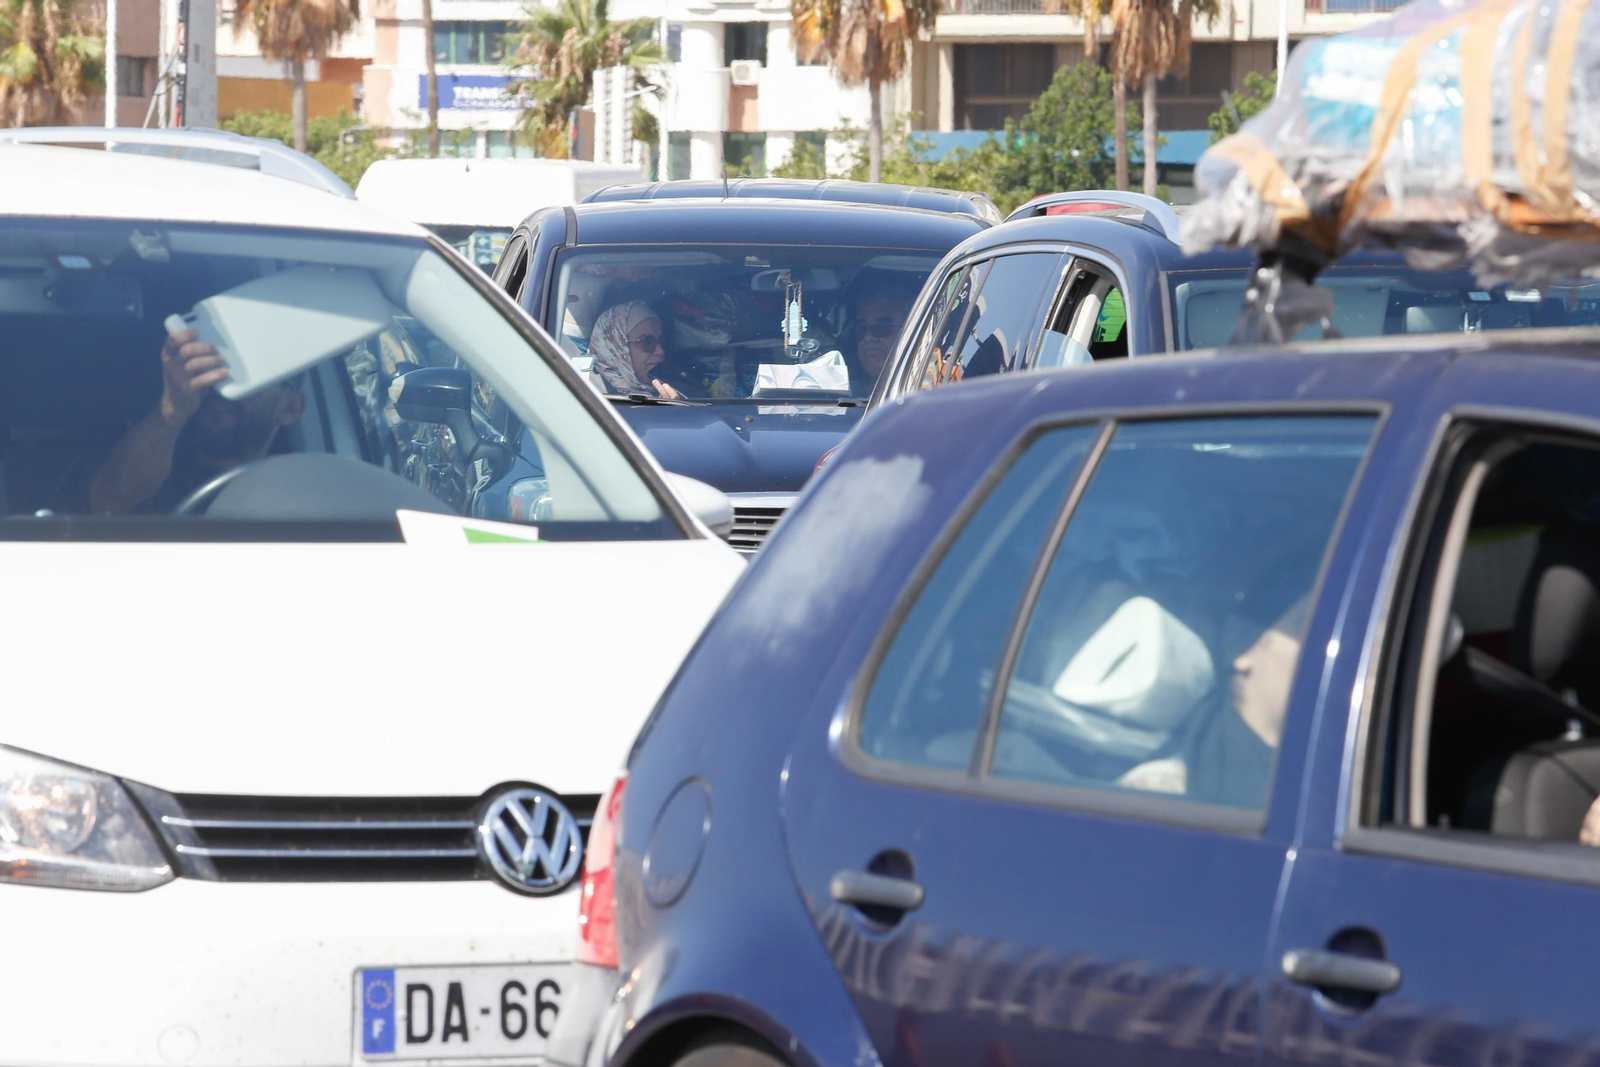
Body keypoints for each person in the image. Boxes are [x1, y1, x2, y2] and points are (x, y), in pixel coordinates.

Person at [87, 327, 306, 515]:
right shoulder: (154, 466)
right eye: (210, 369)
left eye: (245, 375)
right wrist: (171, 412)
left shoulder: (303, 493)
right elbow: (108, 501)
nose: (221, 385)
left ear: (290, 408)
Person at [1118, 595, 1310, 807]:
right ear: (1244, 650)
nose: (1329, 654)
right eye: (1308, 628)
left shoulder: (1337, 777)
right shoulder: (1164, 790)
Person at [588, 301, 682, 400]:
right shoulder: (588, 399)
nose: (660, 351)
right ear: (616, 346)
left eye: (661, 341)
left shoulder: (670, 392)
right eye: (647, 341)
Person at [842, 275, 920, 393]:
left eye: (881, 328)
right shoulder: (840, 394)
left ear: (909, 332)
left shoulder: (928, 392)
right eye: (861, 329)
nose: (868, 338)